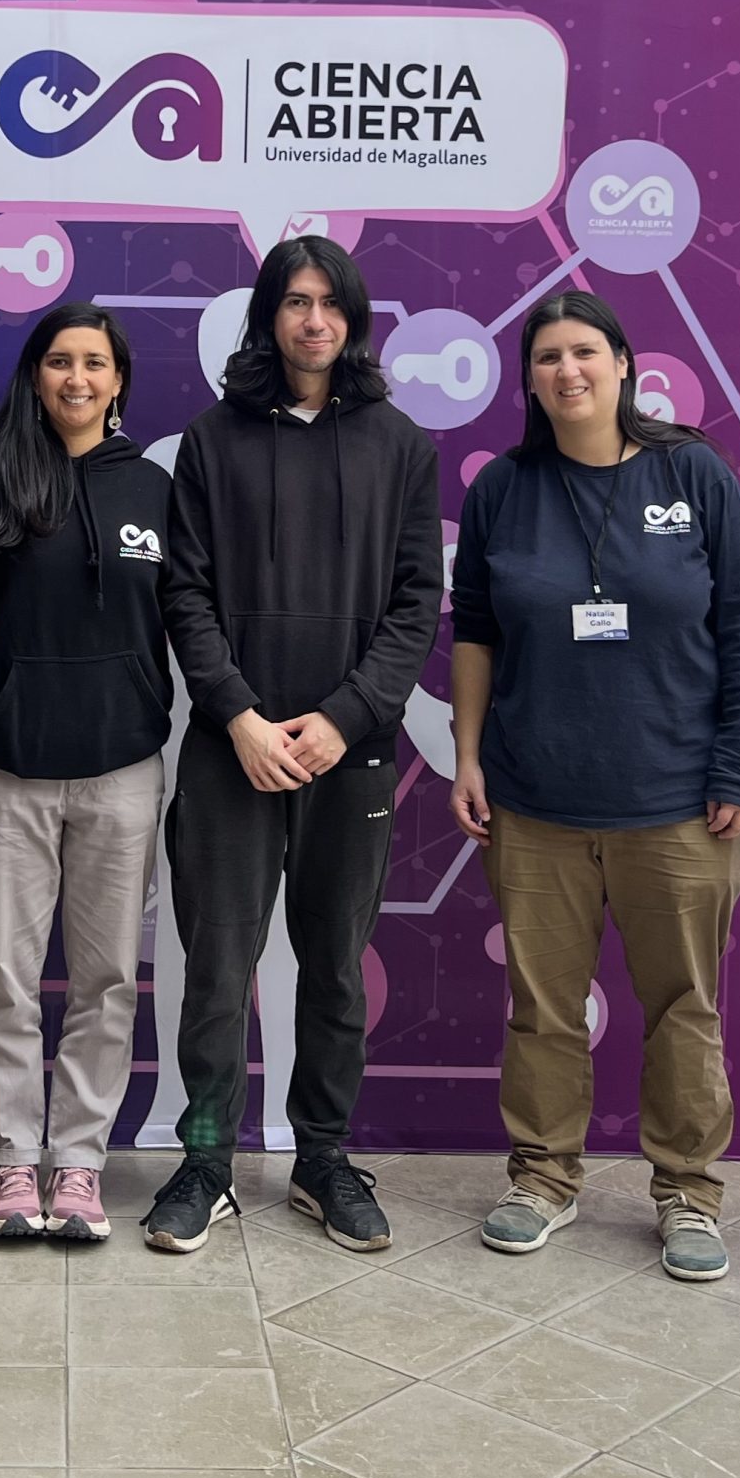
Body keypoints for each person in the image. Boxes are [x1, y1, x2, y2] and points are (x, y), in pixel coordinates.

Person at [447, 290, 740, 1282]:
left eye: (584, 351)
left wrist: (737, 772)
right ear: (529, 378)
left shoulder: (694, 474)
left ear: (624, 364)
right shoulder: (504, 487)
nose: (566, 371)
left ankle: (687, 1191)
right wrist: (467, 756)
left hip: (679, 805)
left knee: (684, 1006)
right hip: (535, 804)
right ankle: (542, 1176)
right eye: (545, 356)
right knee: (540, 1009)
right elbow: (474, 634)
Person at [142, 234, 441, 1255]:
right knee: (217, 968)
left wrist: (345, 717)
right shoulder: (211, 441)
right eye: (294, 300)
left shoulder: (400, 445)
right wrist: (237, 716)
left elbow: (415, 604)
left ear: (351, 319)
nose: (313, 318)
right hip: (235, 752)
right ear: (267, 316)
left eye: (330, 302)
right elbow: (182, 589)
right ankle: (207, 1160)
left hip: (347, 754)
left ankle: (322, 1157)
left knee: (335, 969)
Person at [0, 304, 172, 1241]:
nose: (76, 378)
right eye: (58, 362)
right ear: (35, 376)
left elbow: (188, 614)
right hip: (8, 767)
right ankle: (12, 1162)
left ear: (118, 380)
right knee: (3, 976)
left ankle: (77, 1165)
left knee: (106, 978)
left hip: (122, 768)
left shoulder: (157, 491)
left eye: (94, 363)